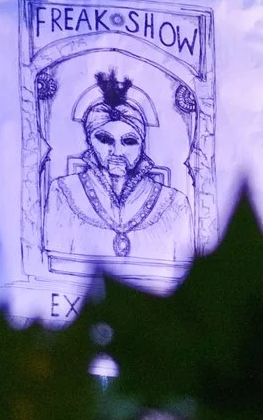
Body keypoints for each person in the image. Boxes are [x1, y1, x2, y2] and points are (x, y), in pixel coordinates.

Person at [43, 67, 195, 270]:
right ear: (89, 140)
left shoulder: (174, 203)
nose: (117, 151)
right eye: (104, 139)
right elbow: (55, 267)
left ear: (142, 144)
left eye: (129, 141)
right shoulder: (63, 191)